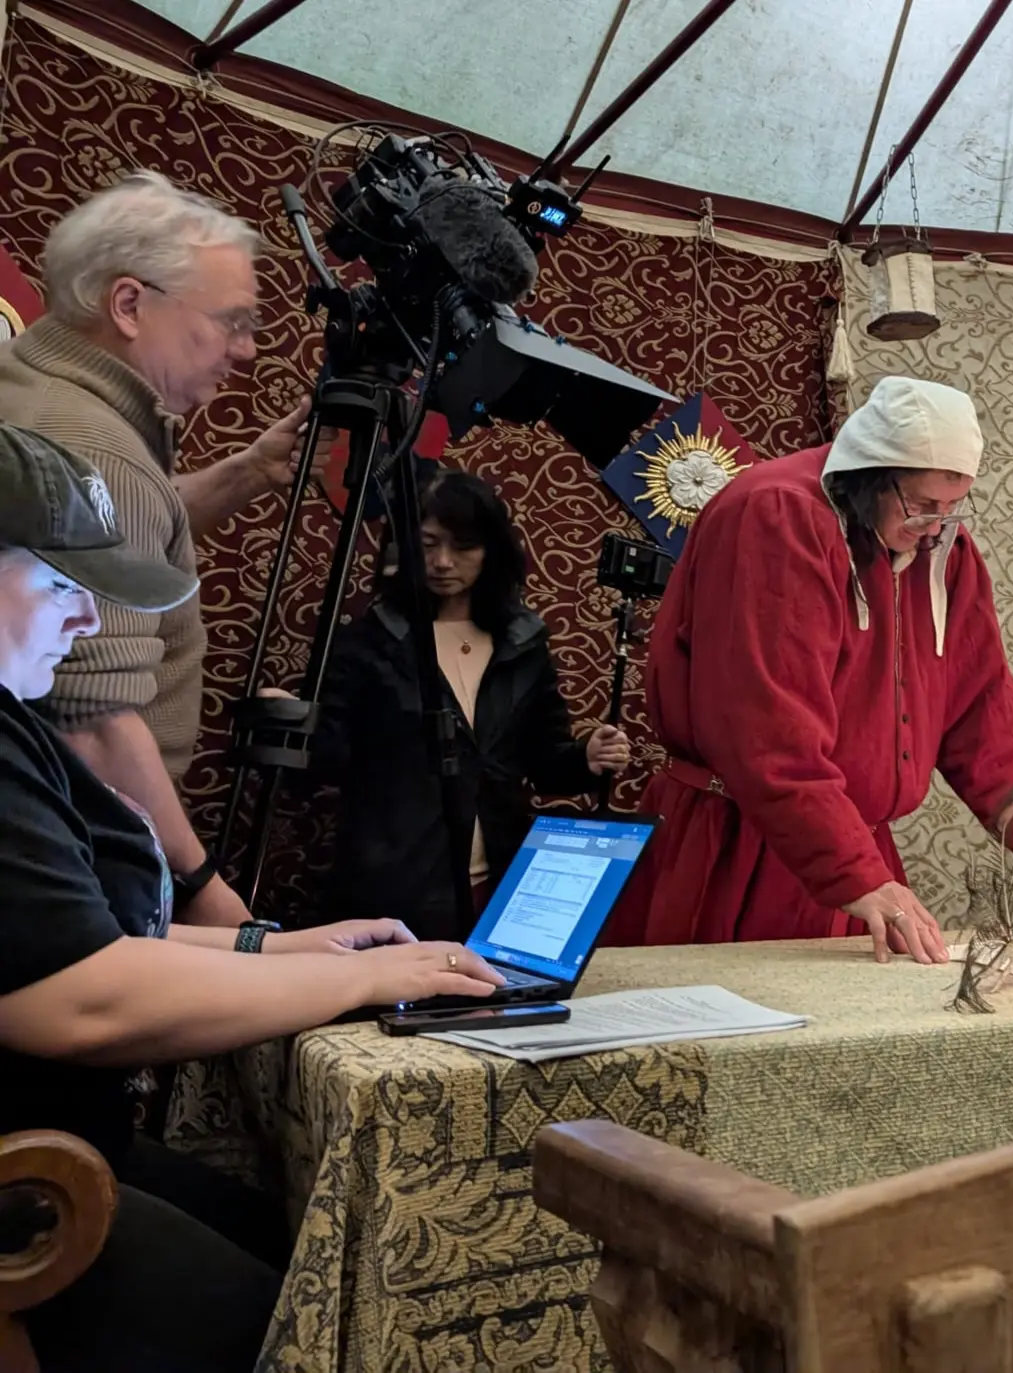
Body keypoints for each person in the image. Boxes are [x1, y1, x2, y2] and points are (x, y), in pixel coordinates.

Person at [0, 422, 503, 1370]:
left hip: (63, 1139)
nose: (84, 618)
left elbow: (91, 933)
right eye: (64, 585)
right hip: (32, 1169)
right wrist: (363, 982)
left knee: (292, 1239)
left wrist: (287, 948)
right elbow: (80, 995)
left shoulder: (15, 724)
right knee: (291, 1324)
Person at [611, 375, 1013, 965]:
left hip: (847, 849)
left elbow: (986, 718)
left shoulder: (944, 551)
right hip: (742, 841)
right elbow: (767, 728)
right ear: (870, 477)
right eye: (923, 506)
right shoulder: (778, 514)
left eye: (954, 506)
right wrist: (854, 873)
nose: (937, 526)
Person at [0, 171, 328, 929]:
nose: (246, 351)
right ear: (128, 303)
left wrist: (246, 473)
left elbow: (95, 533)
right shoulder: (94, 440)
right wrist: (207, 891)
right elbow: (91, 716)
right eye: (230, 322)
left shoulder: (40, 385)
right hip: (80, 845)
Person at [302, 471, 630, 943]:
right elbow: (327, 760)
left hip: (500, 882)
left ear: (491, 549)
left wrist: (586, 757)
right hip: (394, 884)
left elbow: (543, 760)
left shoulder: (522, 642)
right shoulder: (370, 642)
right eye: (429, 544)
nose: (442, 562)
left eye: (463, 546)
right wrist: (293, 725)